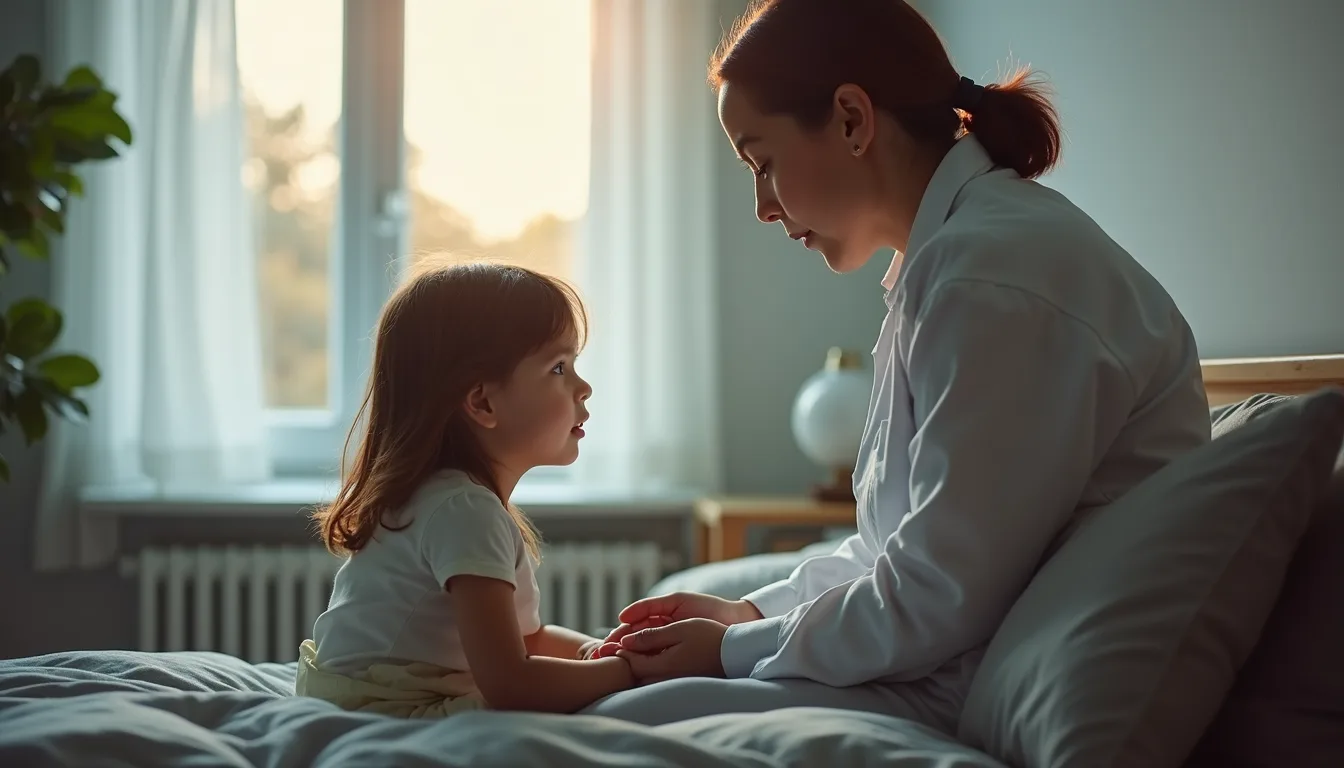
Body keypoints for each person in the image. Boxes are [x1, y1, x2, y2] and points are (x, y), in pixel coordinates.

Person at [581, 0, 1211, 732]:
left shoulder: (995, 276)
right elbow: (897, 551)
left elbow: (935, 594)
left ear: (852, 119)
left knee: (617, 719)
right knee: (613, 706)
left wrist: (730, 649)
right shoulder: (951, 265)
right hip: (934, 664)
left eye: (763, 163)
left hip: (961, 681)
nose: (761, 206)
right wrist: (746, 613)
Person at [296, 260, 634, 717]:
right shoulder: (464, 509)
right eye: (559, 368)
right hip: (384, 712)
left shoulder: (450, 498)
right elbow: (511, 683)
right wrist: (630, 673)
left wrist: (602, 650)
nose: (584, 387)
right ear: (482, 401)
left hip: (360, 697)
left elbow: (529, 639)